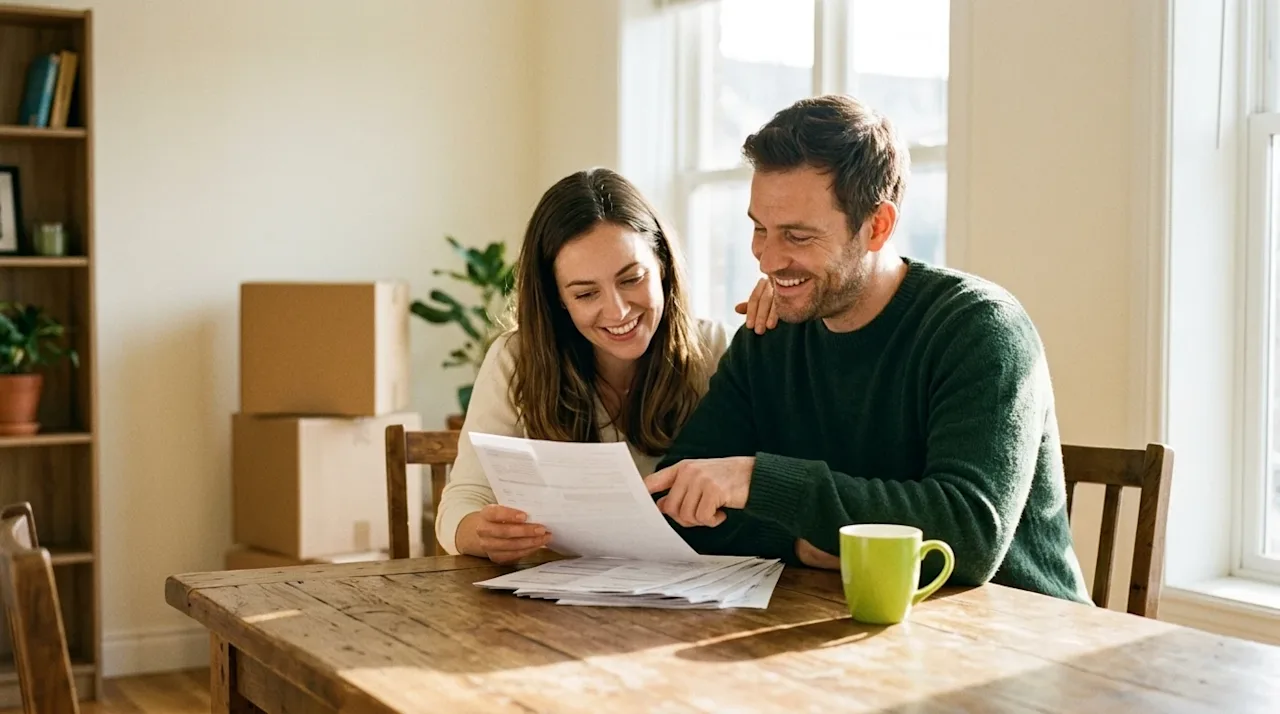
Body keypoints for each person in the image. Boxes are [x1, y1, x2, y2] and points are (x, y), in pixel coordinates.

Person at [642, 95, 1091, 604]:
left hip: (1023, 640)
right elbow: (676, 503)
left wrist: (760, 481)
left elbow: (967, 537)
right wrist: (803, 542)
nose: (767, 258)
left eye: (797, 235)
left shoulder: (980, 328)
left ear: (877, 226)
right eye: (759, 228)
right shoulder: (772, 332)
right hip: (848, 621)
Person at [435, 167, 778, 564]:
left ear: (663, 265)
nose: (616, 310)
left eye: (632, 279)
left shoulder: (716, 348)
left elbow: (776, 480)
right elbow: (461, 503)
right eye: (585, 293)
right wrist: (483, 533)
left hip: (695, 595)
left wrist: (790, 310)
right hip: (558, 604)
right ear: (558, 299)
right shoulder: (517, 359)